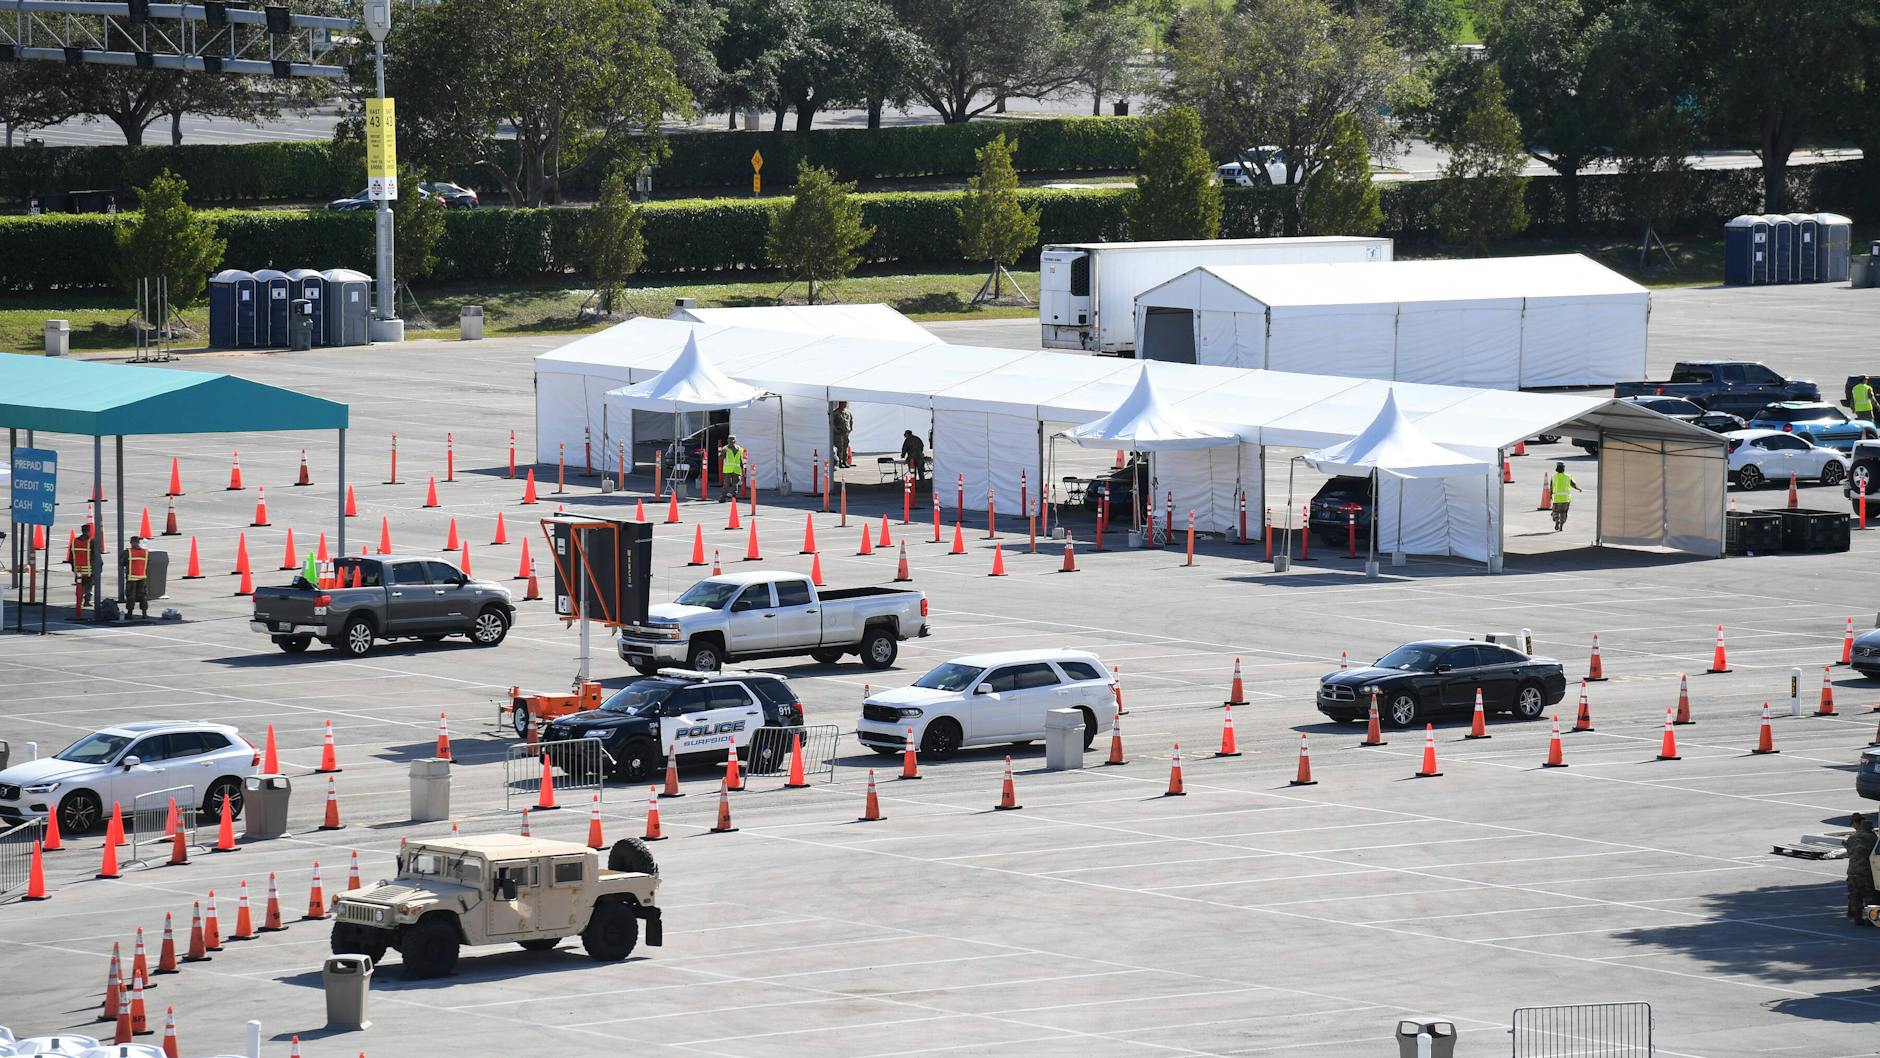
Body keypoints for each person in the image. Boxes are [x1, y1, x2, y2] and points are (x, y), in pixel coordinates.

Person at [1848, 813, 1877, 925]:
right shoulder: (1873, 838)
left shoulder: (1852, 837)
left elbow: (1850, 852)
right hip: (1866, 871)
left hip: (1852, 871)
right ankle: (1872, 920)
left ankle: (1857, 918)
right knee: (1871, 896)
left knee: (1856, 895)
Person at [68, 523, 97, 614]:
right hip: (89, 570)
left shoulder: (74, 542)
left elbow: (71, 557)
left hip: (78, 570)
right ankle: (87, 601)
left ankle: (79, 602)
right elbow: (96, 556)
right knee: (88, 587)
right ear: (89, 531)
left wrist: (73, 568)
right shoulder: (91, 542)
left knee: (79, 586)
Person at [1549, 462, 1582, 532]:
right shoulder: (1568, 476)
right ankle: (1561, 526)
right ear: (1564, 469)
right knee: (1563, 513)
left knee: (1555, 512)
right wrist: (1579, 488)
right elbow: (1574, 484)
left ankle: (1556, 521)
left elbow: (1551, 487)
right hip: (1566, 498)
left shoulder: (1553, 477)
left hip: (1556, 498)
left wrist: (1550, 496)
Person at [125, 535, 151, 619]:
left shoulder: (128, 552)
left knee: (131, 596)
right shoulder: (145, 552)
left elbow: (122, 562)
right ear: (139, 542)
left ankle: (130, 613)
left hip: (131, 577)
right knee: (143, 596)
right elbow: (148, 563)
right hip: (142, 577)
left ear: (131, 542)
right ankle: (144, 613)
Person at [719, 435, 745, 502]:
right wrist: (722, 453)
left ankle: (734, 497)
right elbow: (721, 458)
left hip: (736, 470)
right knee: (727, 484)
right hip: (728, 470)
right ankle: (723, 497)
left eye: (733, 439)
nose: (731, 441)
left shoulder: (740, 449)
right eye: (730, 439)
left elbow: (741, 460)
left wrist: (743, 471)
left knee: (735, 484)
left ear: (735, 441)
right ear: (727, 440)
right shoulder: (725, 448)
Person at [830, 402, 853, 468]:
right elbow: (832, 422)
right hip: (838, 433)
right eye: (843, 404)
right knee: (839, 448)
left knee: (845, 447)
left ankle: (844, 461)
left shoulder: (848, 412)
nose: (844, 405)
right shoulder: (835, 413)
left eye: (845, 404)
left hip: (845, 433)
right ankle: (839, 462)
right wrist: (835, 430)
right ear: (840, 404)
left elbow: (850, 420)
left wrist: (850, 428)